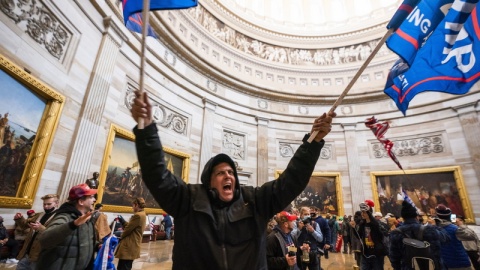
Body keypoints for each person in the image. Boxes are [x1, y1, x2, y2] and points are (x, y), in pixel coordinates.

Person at [130, 90, 335, 269]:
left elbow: (292, 180)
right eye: (220, 173)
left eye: (230, 172)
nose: (228, 175)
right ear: (209, 180)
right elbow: (157, 176)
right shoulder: (189, 199)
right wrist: (146, 129)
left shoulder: (255, 201)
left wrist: (313, 141)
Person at [36, 184, 98, 270]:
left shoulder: (87, 218)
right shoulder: (64, 216)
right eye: (91, 197)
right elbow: (45, 239)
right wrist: (73, 224)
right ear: (81, 201)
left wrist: (98, 245)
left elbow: (83, 240)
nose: (94, 200)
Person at [388, 201, 445, 270]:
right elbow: (445, 238)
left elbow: (394, 257)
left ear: (403, 217)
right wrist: (434, 225)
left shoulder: (396, 233)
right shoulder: (429, 229)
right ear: (416, 217)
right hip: (431, 266)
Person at [436, 204, 478, 270]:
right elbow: (472, 236)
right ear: (450, 216)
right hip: (460, 262)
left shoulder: (434, 229)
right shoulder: (455, 229)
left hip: (445, 263)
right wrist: (461, 225)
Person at [352, 201, 387, 270]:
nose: (362, 214)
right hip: (366, 253)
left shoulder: (375, 224)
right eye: (361, 212)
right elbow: (358, 236)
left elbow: (380, 235)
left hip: (376, 254)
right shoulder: (363, 224)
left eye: (364, 212)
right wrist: (354, 228)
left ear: (369, 213)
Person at [115, 197, 147, 270]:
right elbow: (130, 226)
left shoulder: (138, 215)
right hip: (132, 245)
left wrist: (120, 235)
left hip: (129, 246)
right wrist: (122, 221)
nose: (132, 207)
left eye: (133, 205)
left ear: (136, 205)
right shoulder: (142, 214)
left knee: (123, 267)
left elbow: (127, 230)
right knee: (125, 266)